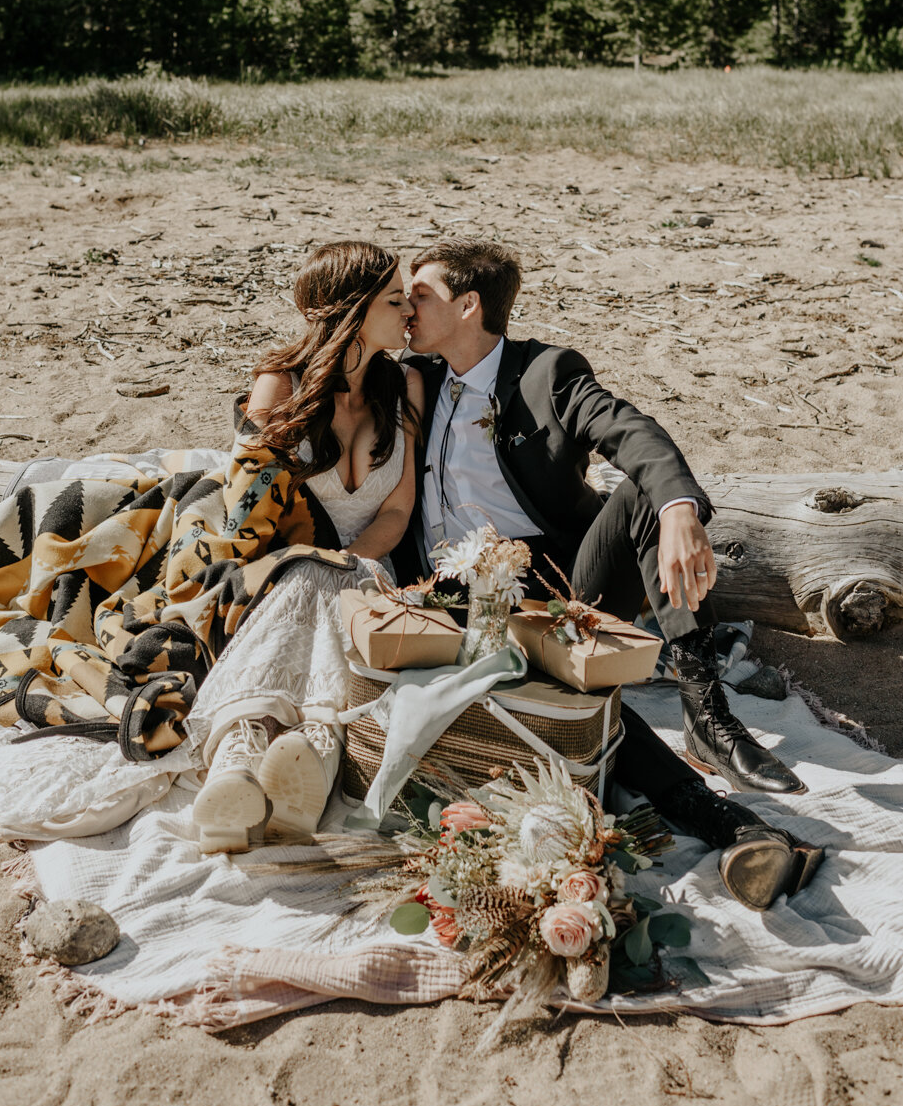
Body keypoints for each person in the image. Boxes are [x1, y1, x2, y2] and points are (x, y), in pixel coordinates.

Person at [397, 237, 823, 911]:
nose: (405, 307)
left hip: (563, 577)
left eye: (420, 294)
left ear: (469, 304)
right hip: (455, 597)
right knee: (556, 694)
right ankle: (729, 825)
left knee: (645, 498)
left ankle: (705, 710)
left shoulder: (544, 373)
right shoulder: (410, 379)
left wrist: (681, 508)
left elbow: (631, 431)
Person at [186, 240, 424, 853]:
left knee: (334, 584)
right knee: (308, 583)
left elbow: (396, 508)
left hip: (372, 560)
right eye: (396, 300)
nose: (409, 313)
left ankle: (279, 751)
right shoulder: (279, 382)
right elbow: (248, 510)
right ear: (351, 309)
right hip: (278, 563)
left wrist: (352, 561)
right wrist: (317, 561)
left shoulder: (405, 389)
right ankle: (252, 758)